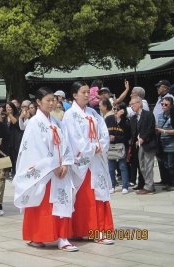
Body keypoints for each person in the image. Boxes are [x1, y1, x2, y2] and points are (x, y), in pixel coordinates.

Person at [13, 87, 77, 252]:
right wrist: (52, 165)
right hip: (45, 173)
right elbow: (34, 149)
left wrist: (66, 163)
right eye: (47, 100)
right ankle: (37, 236)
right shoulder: (34, 123)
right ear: (38, 102)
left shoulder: (56, 122)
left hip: (59, 171)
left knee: (62, 201)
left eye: (52, 100)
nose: (51, 103)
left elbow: (65, 143)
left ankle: (63, 237)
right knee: (42, 204)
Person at [63, 81, 114, 245]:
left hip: (96, 161)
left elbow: (103, 131)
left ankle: (98, 231)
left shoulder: (93, 112)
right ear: (74, 95)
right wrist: (92, 147)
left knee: (98, 195)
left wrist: (101, 144)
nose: (86, 95)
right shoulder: (70, 115)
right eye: (83, 92)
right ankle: (79, 230)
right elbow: (73, 140)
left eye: (87, 92)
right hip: (82, 163)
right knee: (84, 198)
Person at [129, 96, 157, 195]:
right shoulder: (132, 118)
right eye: (130, 105)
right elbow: (132, 132)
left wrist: (143, 138)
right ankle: (149, 184)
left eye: (133, 104)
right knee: (142, 166)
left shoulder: (148, 115)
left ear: (139, 103)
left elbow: (151, 128)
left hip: (149, 144)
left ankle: (148, 187)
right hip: (139, 146)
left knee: (148, 165)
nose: (131, 106)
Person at [105, 103, 131, 194]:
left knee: (122, 166)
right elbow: (104, 132)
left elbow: (127, 136)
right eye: (114, 109)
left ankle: (125, 186)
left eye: (118, 109)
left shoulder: (126, 121)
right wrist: (109, 137)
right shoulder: (108, 119)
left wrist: (119, 120)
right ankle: (112, 185)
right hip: (111, 146)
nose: (116, 111)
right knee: (111, 167)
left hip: (121, 146)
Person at [153, 80, 174, 186]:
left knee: (170, 163)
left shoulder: (170, 98)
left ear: (165, 87)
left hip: (169, 137)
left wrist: (163, 130)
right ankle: (165, 180)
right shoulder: (159, 99)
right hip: (161, 137)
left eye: (159, 87)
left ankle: (171, 182)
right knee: (163, 161)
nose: (157, 89)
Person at [156, 97, 174, 191]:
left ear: (171, 106)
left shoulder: (172, 117)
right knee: (165, 165)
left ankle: (172, 184)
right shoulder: (160, 116)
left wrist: (162, 131)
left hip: (171, 145)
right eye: (162, 104)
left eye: (166, 104)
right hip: (162, 144)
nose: (163, 106)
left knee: (171, 165)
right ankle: (167, 182)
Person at [4, 102, 22, 176]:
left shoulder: (17, 115)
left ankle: (15, 172)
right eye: (7, 107)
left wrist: (9, 115)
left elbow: (16, 123)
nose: (9, 108)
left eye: (10, 107)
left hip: (15, 139)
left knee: (15, 157)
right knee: (7, 156)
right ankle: (7, 171)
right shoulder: (5, 117)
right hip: (7, 139)